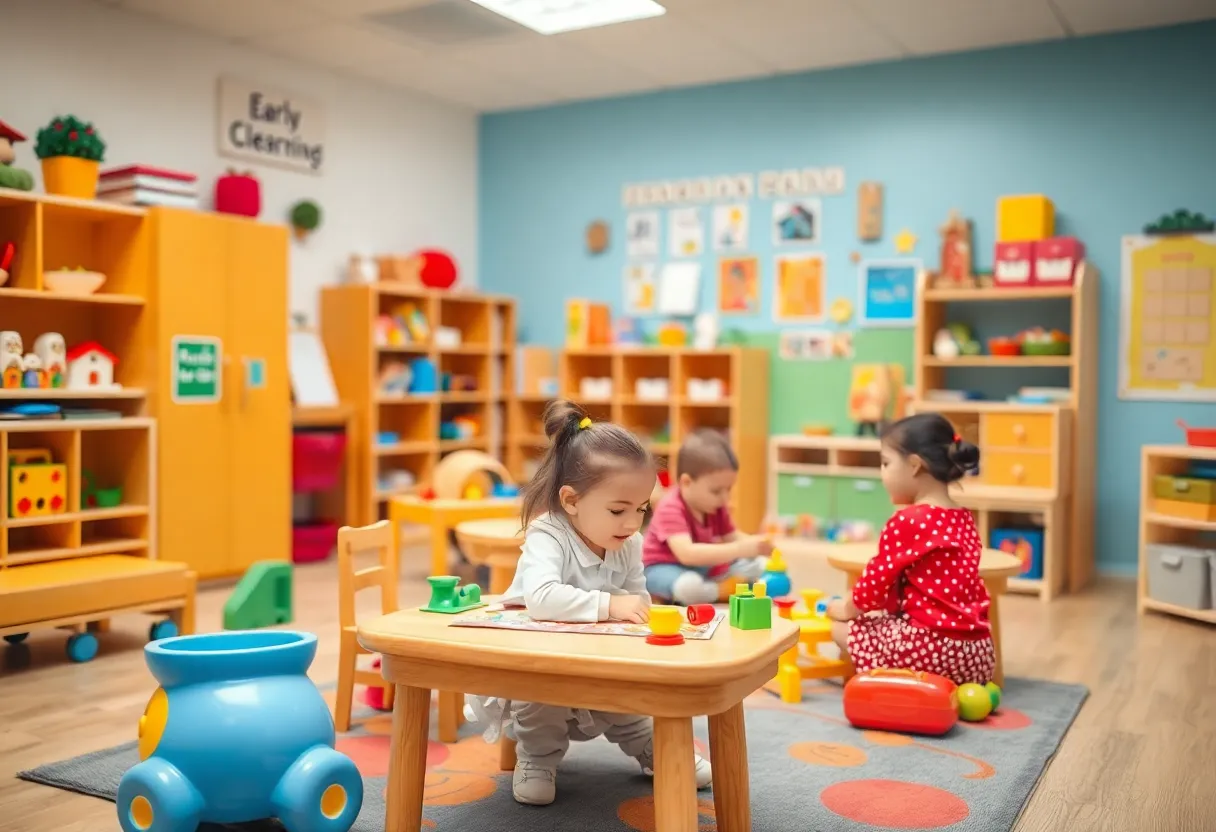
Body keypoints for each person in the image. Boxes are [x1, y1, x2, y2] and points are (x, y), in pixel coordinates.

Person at [465, 400, 713, 806]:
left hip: (599, 656)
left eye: (641, 509)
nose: (633, 524)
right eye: (618, 510)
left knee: (632, 705)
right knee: (541, 705)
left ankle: (652, 749)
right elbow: (541, 598)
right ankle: (538, 758)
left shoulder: (627, 543)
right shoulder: (548, 534)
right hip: (540, 665)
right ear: (571, 501)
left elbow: (639, 597)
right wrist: (612, 606)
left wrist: (643, 623)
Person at [826, 413, 996, 686]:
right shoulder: (963, 517)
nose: (882, 472)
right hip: (978, 656)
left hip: (932, 650)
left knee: (841, 629)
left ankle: (907, 682)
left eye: (885, 463)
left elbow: (873, 586)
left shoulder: (909, 520)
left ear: (915, 465)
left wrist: (845, 609)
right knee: (885, 620)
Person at [642, 429, 772, 605]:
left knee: (758, 564)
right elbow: (687, 554)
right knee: (689, 586)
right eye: (716, 491)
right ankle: (719, 591)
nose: (725, 498)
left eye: (728, 489)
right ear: (687, 483)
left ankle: (719, 589)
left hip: (703, 569)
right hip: (663, 569)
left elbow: (733, 538)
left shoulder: (716, 506)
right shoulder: (670, 507)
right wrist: (742, 548)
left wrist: (759, 545)